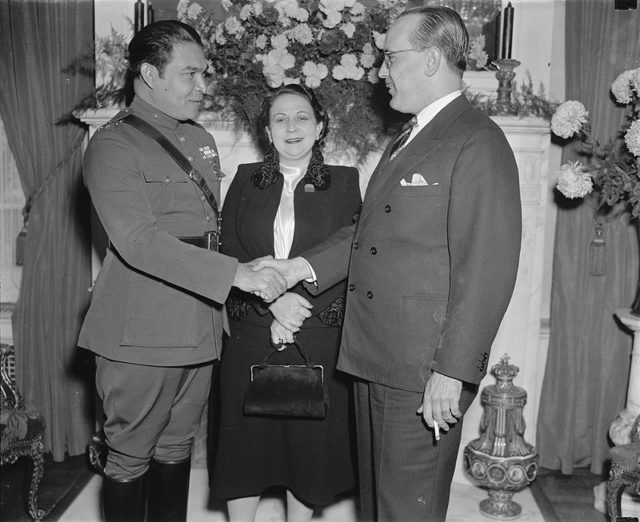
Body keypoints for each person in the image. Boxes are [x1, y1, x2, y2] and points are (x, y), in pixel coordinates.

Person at [255, 7, 522, 521]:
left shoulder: (477, 140)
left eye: (390, 58)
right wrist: (297, 269)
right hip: (377, 356)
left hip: (422, 372)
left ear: (429, 60)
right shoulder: (411, 136)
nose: (381, 71)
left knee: (405, 510)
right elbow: (366, 234)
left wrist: (452, 372)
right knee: (379, 507)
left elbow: (487, 269)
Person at [78, 20, 287, 522]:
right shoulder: (112, 146)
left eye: (205, 73)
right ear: (149, 73)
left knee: (176, 451)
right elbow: (138, 242)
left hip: (202, 323)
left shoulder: (200, 140)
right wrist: (236, 275)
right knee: (130, 456)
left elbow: (209, 228)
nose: (203, 86)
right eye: (190, 74)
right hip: (141, 333)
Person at [209, 84, 361, 522]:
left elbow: (351, 252)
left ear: (320, 127)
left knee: (307, 452)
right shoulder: (243, 178)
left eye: (301, 118)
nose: (291, 127)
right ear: (267, 130)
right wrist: (271, 305)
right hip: (251, 331)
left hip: (314, 333)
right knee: (244, 449)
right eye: (280, 119)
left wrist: (295, 306)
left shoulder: (345, 182)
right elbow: (227, 252)